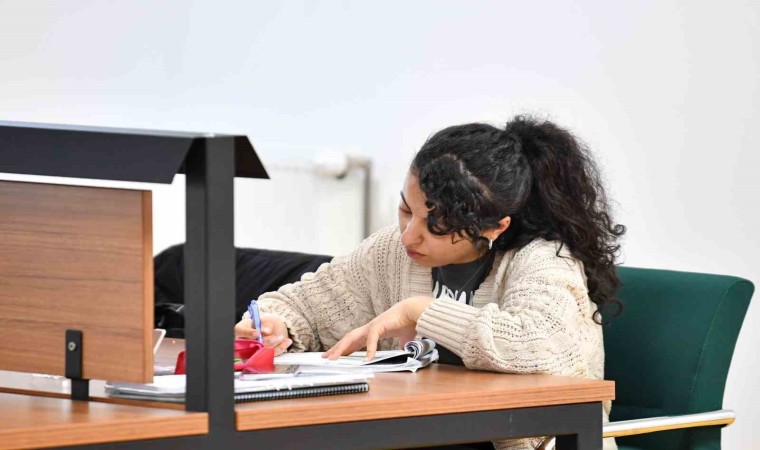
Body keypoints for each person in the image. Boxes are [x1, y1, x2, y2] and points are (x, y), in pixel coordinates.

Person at [234, 115, 624, 450]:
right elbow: (303, 305)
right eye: (406, 210)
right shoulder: (392, 251)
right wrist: (276, 324)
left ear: (494, 227)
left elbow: (538, 348)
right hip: (420, 436)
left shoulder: (543, 259)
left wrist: (420, 312)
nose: (409, 236)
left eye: (437, 225)